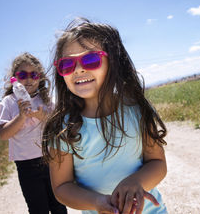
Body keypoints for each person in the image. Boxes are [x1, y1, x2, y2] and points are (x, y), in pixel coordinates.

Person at [42, 18, 168, 214]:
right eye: (67, 64)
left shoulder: (137, 108)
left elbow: (158, 163)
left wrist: (136, 181)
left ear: (114, 62)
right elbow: (61, 188)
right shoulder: (62, 128)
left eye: (90, 59)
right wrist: (97, 202)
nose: (78, 69)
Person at [0, 52, 67, 214]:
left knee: (58, 205)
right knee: (37, 208)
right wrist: (21, 116)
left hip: (51, 159)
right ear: (14, 78)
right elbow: (3, 134)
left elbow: (58, 127)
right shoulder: (9, 102)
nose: (28, 79)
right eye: (22, 75)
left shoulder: (46, 100)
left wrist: (42, 116)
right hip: (26, 165)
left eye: (34, 74)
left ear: (39, 78)